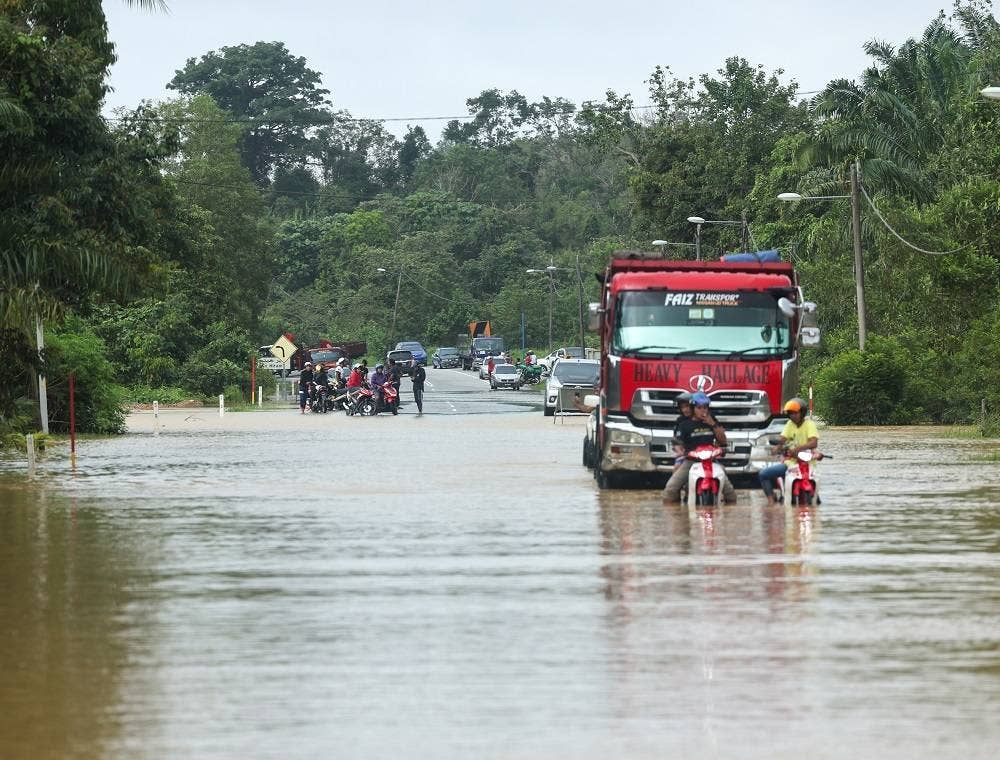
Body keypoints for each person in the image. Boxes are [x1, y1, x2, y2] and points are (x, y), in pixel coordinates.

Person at [662, 391, 736, 504]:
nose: (703, 411)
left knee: (730, 494)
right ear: (693, 408)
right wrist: (681, 451)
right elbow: (677, 442)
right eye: (699, 408)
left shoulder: (712, 420)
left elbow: (723, 441)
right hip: (691, 461)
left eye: (705, 408)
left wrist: (713, 424)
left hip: (711, 461)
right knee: (670, 491)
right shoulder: (684, 424)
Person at [758, 398, 819, 504]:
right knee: (763, 474)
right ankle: (771, 501)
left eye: (795, 413)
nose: (792, 416)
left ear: (802, 413)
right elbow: (782, 440)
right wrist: (777, 448)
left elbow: (814, 443)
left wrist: (798, 448)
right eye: (790, 413)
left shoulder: (810, 425)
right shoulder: (789, 425)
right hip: (791, 464)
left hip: (808, 464)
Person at [671, 391, 694, 464]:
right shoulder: (680, 421)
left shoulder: (703, 419)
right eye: (682, 407)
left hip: (703, 455)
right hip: (686, 455)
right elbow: (676, 439)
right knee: (677, 467)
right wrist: (680, 452)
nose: (685, 410)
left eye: (687, 406)